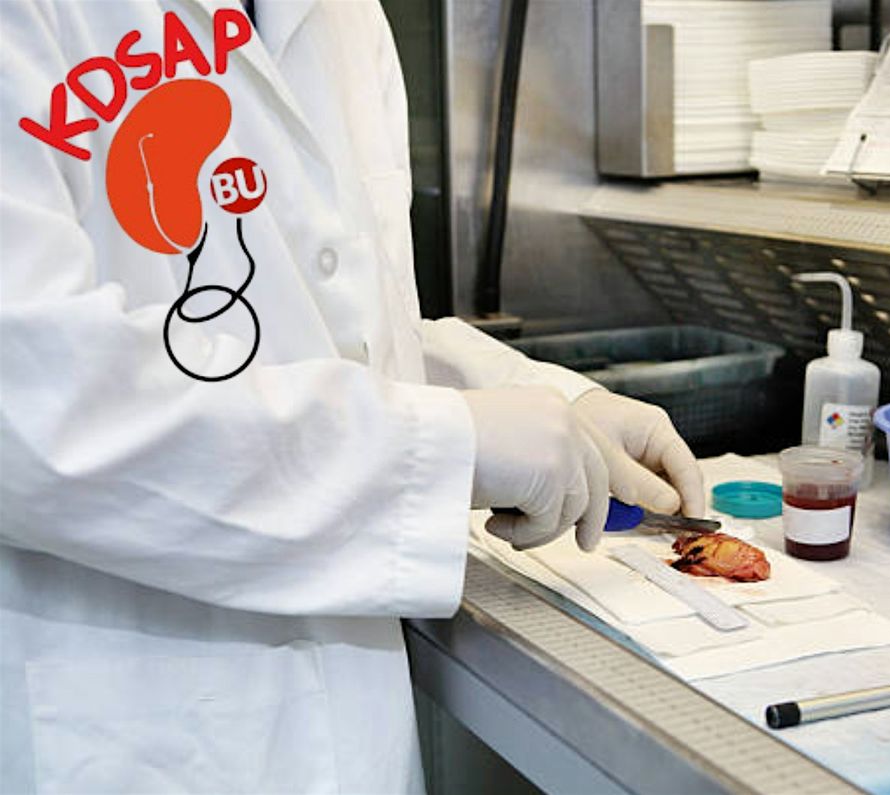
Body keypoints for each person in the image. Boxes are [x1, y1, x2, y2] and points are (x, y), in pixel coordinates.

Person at [0, 1, 704, 792]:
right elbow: (35, 409)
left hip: (353, 724)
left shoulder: (347, 17)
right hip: (139, 729)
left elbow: (349, 334)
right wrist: (453, 444)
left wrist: (543, 400)